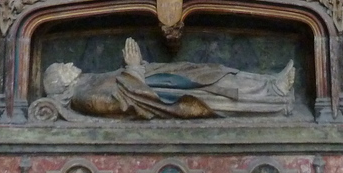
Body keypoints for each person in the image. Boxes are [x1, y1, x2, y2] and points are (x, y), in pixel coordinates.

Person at [41, 38, 295, 119]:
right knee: (217, 87)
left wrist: (134, 66)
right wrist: (132, 68)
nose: (70, 64)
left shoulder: (85, 82)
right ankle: (274, 96)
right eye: (63, 67)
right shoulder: (81, 97)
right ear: (60, 83)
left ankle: (271, 84)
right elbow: (120, 104)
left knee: (215, 70)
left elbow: (119, 83)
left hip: (158, 79)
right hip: (161, 96)